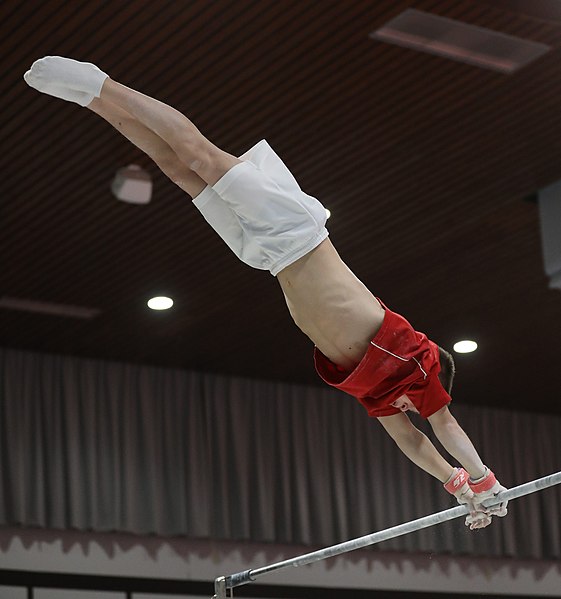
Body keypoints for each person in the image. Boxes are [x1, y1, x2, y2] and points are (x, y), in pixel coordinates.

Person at [24, 56, 508, 530]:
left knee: (178, 170)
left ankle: (92, 101)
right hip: (295, 230)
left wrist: (456, 483)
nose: (412, 413)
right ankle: (103, 83)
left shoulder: (375, 387)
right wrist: (485, 478)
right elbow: (443, 426)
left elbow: (410, 442)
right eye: (420, 402)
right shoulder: (413, 358)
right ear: (431, 375)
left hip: (267, 256)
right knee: (200, 155)